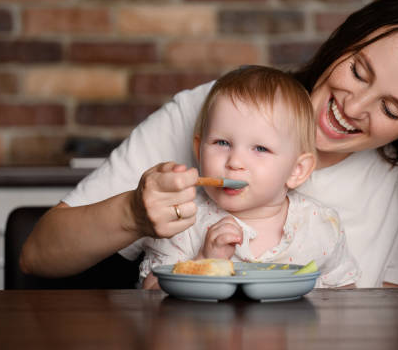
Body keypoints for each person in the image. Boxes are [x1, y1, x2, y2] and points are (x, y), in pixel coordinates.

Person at [20, 0, 398, 288]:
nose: (353, 107)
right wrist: (131, 213)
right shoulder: (216, 109)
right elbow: (38, 256)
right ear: (343, 42)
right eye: (357, 70)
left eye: (391, 109)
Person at [135, 66, 359, 289]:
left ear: (296, 170)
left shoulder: (319, 225)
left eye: (260, 148)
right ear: (199, 149)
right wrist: (204, 261)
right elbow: (151, 293)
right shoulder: (183, 221)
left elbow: (344, 294)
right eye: (222, 143)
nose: (235, 162)